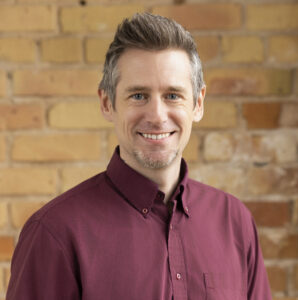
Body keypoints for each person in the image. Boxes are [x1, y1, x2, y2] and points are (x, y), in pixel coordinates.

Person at [6, 13, 272, 300]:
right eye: (138, 96)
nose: (157, 116)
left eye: (172, 95)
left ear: (198, 103)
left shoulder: (235, 221)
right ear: (107, 103)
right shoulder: (54, 233)